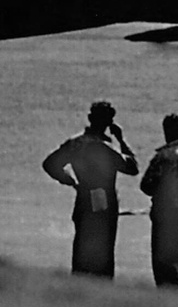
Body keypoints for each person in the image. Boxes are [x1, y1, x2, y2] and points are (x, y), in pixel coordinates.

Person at [41, 100, 138, 278]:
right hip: (104, 200)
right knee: (104, 252)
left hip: (84, 196)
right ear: (109, 123)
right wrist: (121, 140)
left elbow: (50, 164)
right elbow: (132, 168)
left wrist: (69, 181)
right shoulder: (104, 148)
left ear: (90, 118)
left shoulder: (76, 143)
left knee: (81, 248)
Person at [139, 113, 178, 290]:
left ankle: (169, 302)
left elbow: (146, 186)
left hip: (165, 215)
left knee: (163, 265)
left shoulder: (164, 157)